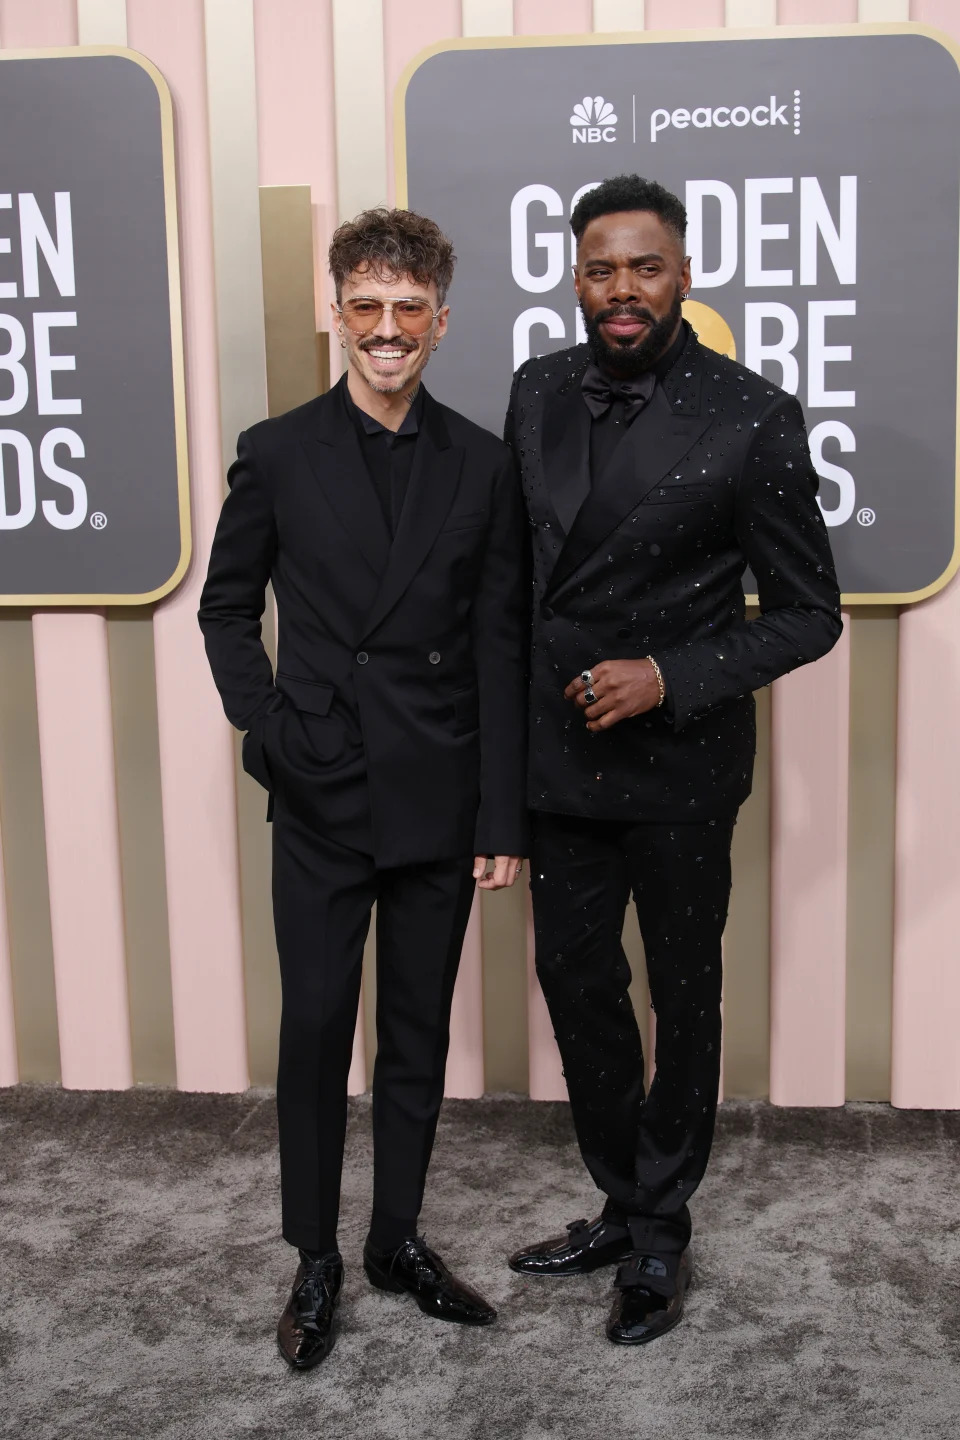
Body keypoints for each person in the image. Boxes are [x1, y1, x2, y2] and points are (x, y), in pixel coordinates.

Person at [503, 174, 841, 1345]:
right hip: (558, 758)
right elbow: (517, 578)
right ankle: (618, 1194)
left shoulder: (753, 414)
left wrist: (671, 675)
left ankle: (662, 1232)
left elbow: (809, 613)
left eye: (645, 266)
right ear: (576, 276)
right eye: (601, 268)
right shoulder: (538, 389)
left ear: (685, 273)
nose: (622, 289)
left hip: (682, 762)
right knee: (577, 987)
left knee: (682, 997)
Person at [199, 208, 527, 1369]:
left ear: (442, 321)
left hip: (439, 795)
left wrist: (501, 814)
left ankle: (395, 1241)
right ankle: (316, 1258)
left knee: (415, 1035)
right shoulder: (279, 449)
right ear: (335, 311)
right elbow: (226, 609)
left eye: (409, 311)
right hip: (324, 789)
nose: (386, 331)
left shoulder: (484, 463)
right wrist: (278, 732)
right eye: (366, 307)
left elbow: (498, 646)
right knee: (314, 1029)